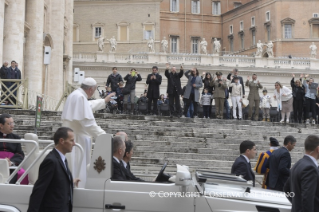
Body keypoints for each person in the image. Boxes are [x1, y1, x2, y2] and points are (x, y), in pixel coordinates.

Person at [61, 77, 115, 188]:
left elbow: (88, 106)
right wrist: (106, 137)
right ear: (91, 89)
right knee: (78, 170)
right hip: (76, 141)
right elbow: (89, 124)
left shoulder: (75, 95)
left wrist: (103, 101)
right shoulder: (80, 97)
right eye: (94, 90)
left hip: (73, 138)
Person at [27, 127, 80, 212]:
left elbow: (56, 182)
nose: (74, 144)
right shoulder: (51, 161)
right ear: (62, 141)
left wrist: (70, 181)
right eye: (71, 140)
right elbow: (39, 190)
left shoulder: (62, 159)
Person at [284, 135, 319, 212]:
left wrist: (296, 204)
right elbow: (307, 198)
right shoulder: (310, 168)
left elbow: (286, 189)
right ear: (318, 149)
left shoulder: (298, 164)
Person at [0, 114, 28, 184]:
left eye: (13, 123)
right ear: (1, 126)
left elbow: (20, 154)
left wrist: (11, 162)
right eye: (9, 124)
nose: (12, 126)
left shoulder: (16, 138)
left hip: (12, 164)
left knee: (23, 173)